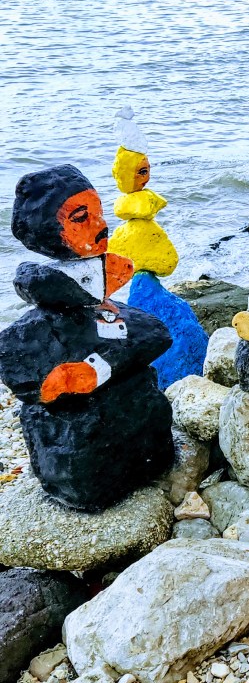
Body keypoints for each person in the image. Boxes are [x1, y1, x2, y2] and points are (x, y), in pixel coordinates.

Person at [0, 164, 174, 512]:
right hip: (84, 458)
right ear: (47, 232)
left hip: (138, 436)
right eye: (81, 218)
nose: (101, 225)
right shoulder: (41, 324)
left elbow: (157, 334)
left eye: (98, 212)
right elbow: (15, 366)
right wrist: (49, 385)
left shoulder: (104, 304)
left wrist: (96, 369)